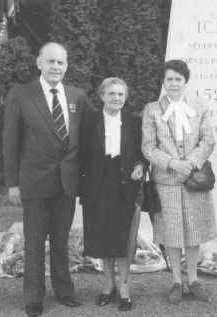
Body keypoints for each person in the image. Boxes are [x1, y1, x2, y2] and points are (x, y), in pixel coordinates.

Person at [3, 42, 93, 316]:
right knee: (33, 241)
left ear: (67, 66)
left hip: (67, 183)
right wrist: (13, 183)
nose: (56, 67)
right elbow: (10, 141)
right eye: (51, 61)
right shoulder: (21, 94)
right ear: (39, 63)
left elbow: (93, 135)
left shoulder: (78, 96)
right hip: (34, 182)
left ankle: (64, 290)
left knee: (61, 240)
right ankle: (33, 297)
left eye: (61, 63)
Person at [142, 59, 217, 304]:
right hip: (166, 181)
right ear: (163, 81)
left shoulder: (199, 106)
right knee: (172, 232)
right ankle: (176, 280)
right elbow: (148, 147)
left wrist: (191, 163)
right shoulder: (152, 109)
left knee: (193, 232)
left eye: (178, 79)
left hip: (194, 179)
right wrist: (173, 163)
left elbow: (207, 141)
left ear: (185, 81)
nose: (174, 83)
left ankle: (193, 279)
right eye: (169, 79)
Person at [79, 77, 148, 311]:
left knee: (122, 240)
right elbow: (80, 154)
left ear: (125, 97)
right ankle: (108, 285)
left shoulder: (134, 122)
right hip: (97, 186)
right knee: (102, 239)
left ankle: (125, 286)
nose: (116, 98)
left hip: (124, 185)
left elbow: (142, 153)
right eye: (111, 94)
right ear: (101, 96)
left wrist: (140, 166)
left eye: (120, 94)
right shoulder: (88, 121)